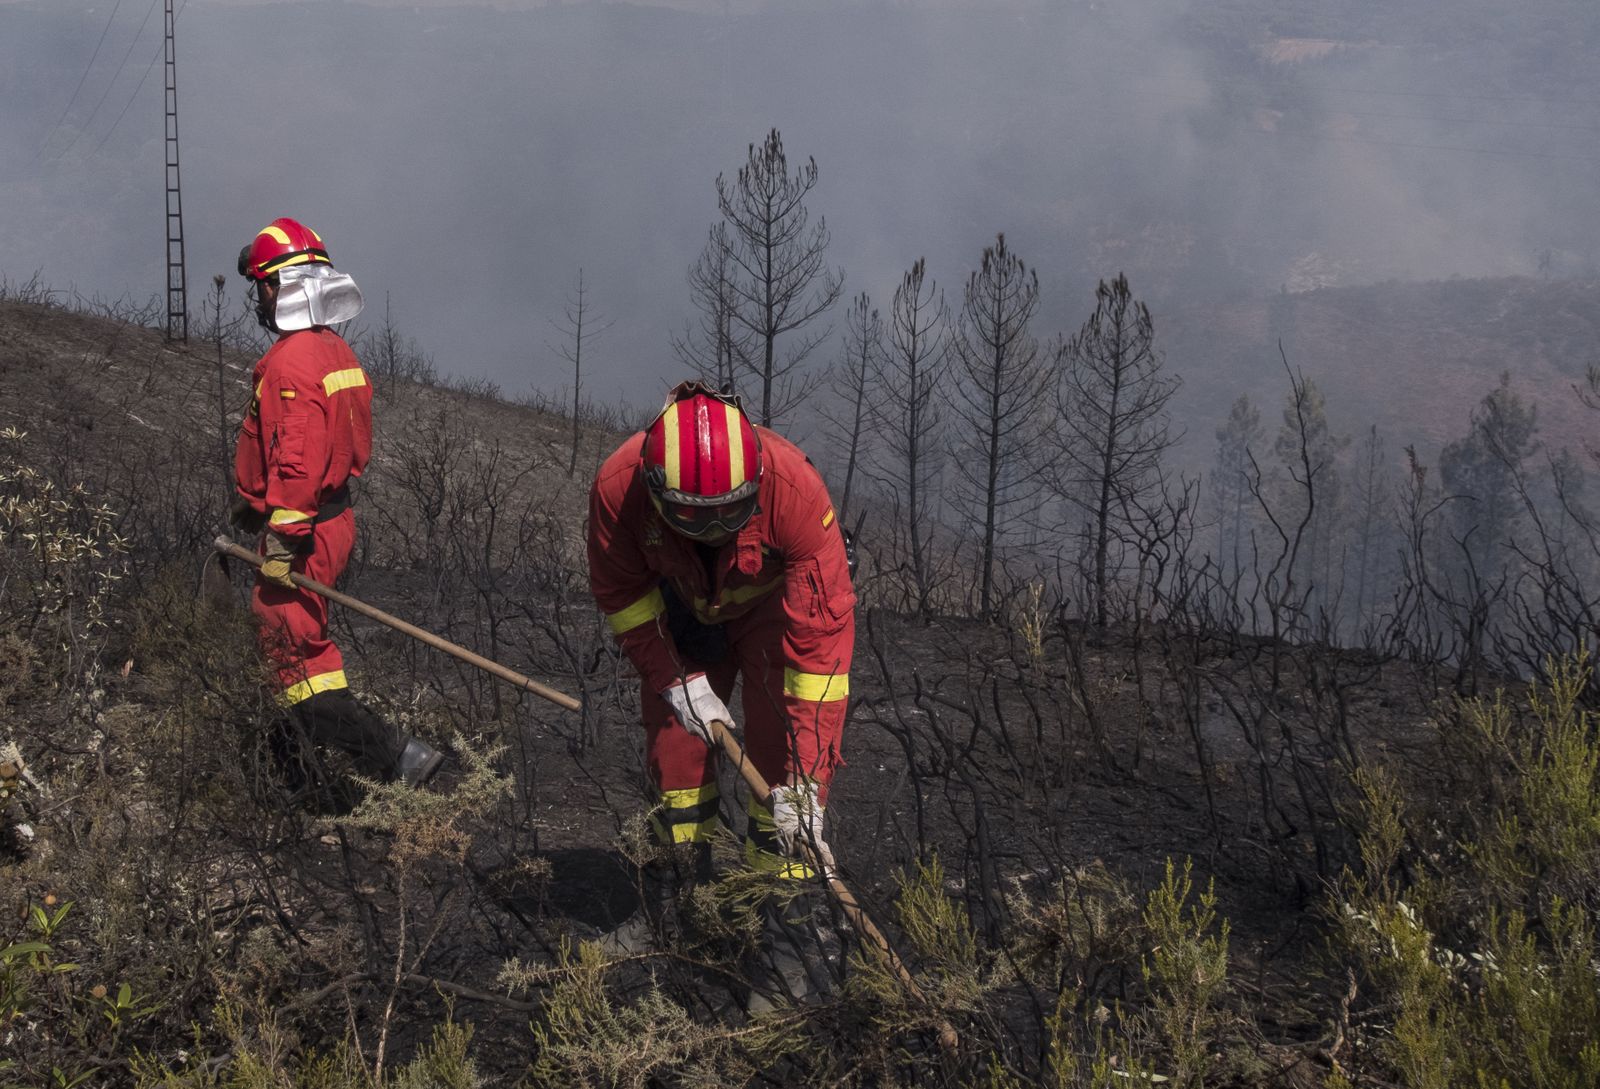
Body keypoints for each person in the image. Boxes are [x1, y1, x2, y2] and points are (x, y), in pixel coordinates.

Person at [587, 380, 855, 1010]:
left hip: (772, 616)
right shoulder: (618, 489)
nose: (711, 530)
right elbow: (623, 596)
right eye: (692, 518)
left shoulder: (793, 490)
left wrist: (807, 784)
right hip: (683, 610)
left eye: (727, 515)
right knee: (675, 762)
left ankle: (786, 939)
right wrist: (673, 680)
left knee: (781, 769)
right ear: (657, 492)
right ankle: (675, 909)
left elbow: (819, 657)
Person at [231, 217, 442, 789]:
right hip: (327, 520)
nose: (259, 298)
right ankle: (298, 768)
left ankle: (396, 758)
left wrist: (282, 533)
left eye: (261, 285)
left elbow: (298, 459)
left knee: (292, 655)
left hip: (304, 529)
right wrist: (256, 503)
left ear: (279, 286)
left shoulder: (291, 361)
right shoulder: (333, 349)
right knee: (295, 647)